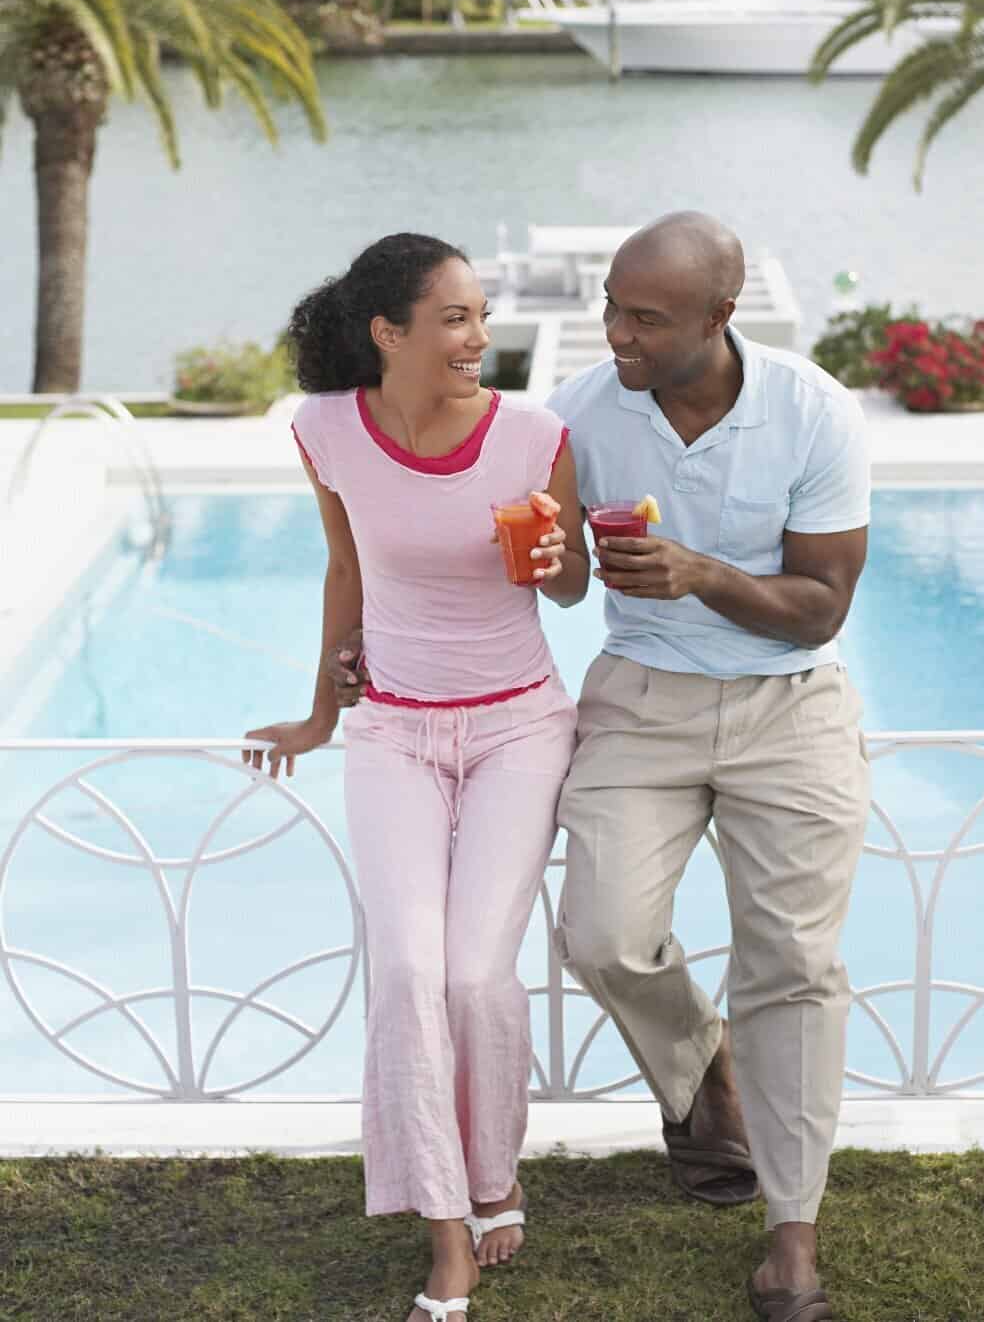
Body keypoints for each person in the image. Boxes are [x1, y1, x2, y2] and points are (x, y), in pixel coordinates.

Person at [330, 212, 872, 1322]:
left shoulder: (816, 413)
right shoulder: (575, 412)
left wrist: (700, 575)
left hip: (789, 704)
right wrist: (542, 565)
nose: (616, 332)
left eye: (645, 317)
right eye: (612, 309)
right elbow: (564, 581)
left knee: (792, 965)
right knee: (602, 934)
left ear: (720, 318)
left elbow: (820, 608)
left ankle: (792, 1231)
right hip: (640, 697)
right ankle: (705, 1072)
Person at [244, 233, 590, 1322]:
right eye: (454, 318)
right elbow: (345, 565)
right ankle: (447, 1228)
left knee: (477, 978)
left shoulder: (535, 436)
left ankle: (496, 1173)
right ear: (387, 332)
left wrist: (553, 560)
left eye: (481, 316)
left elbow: (572, 582)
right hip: (392, 732)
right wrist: (317, 711)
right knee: (405, 974)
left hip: (517, 729)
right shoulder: (323, 430)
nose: (479, 337)